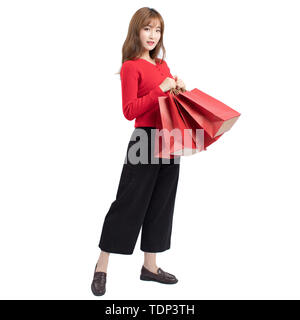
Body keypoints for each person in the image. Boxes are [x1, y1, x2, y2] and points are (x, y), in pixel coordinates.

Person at [91, 7, 186, 296]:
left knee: (161, 203)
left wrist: (179, 89)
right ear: (137, 31)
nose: (153, 35)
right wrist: (160, 89)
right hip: (144, 139)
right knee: (128, 202)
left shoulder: (163, 65)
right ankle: (101, 266)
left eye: (157, 30)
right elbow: (129, 110)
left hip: (170, 139)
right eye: (147, 29)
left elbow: (169, 104)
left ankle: (150, 267)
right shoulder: (131, 66)